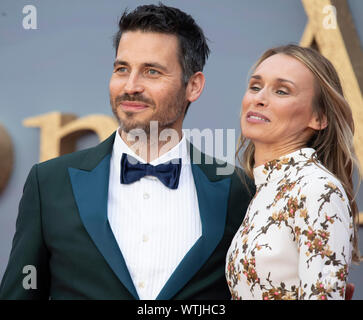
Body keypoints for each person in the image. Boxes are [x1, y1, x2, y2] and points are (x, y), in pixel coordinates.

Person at [0, 4, 253, 300]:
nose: (131, 86)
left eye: (151, 71)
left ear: (193, 86)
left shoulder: (236, 190)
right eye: (122, 69)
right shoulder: (49, 183)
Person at [225, 44, 361, 300]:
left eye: (281, 91)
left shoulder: (318, 189)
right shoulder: (264, 190)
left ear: (319, 117)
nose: (259, 98)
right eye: (255, 86)